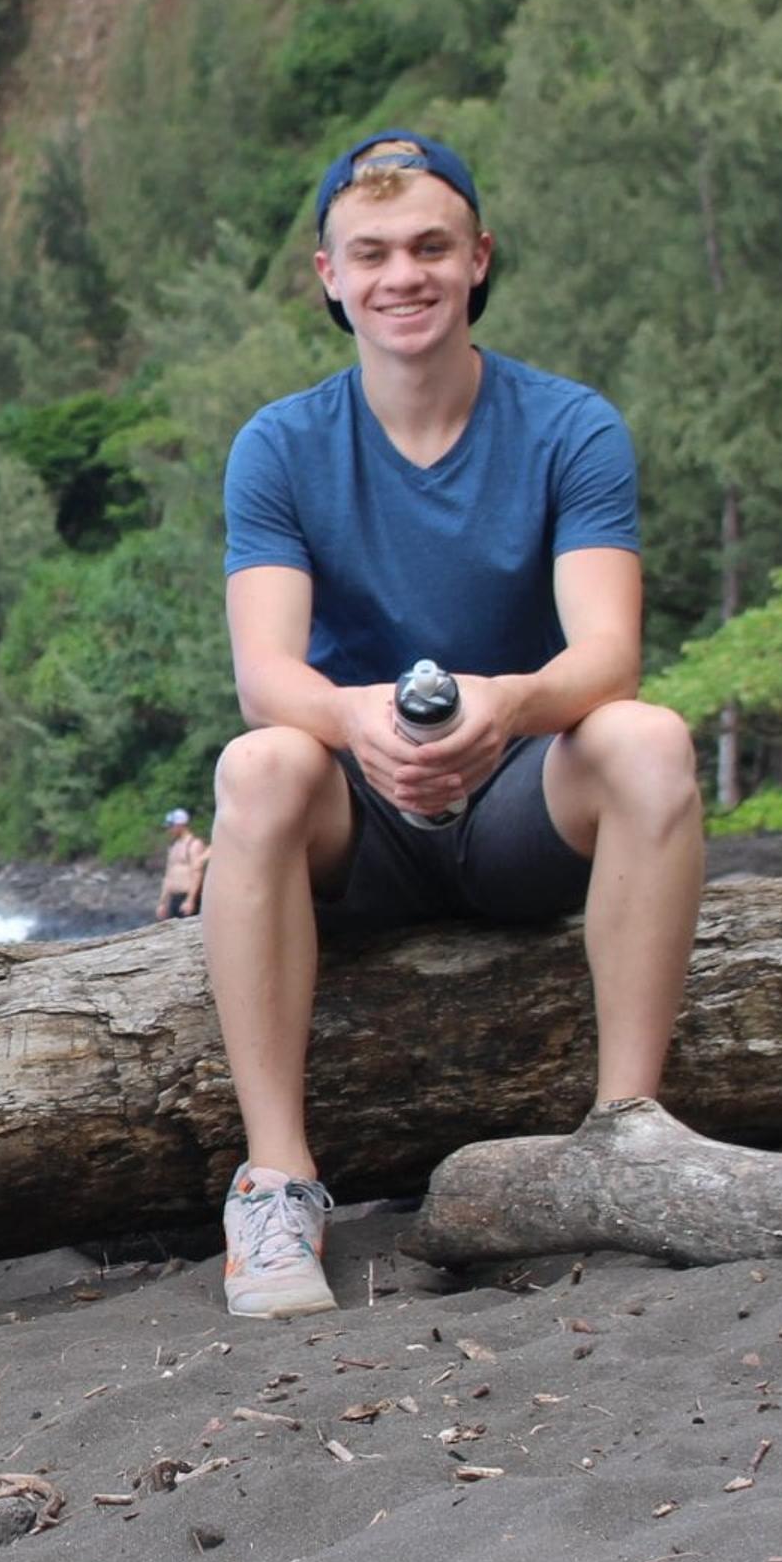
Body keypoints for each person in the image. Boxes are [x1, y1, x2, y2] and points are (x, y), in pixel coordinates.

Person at [201, 131, 701, 1318]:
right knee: (260, 763)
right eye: (370, 253)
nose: (402, 275)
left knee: (651, 737)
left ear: (478, 260)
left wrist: (509, 704)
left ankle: (629, 1135)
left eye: (430, 246)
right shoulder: (281, 444)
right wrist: (354, 717)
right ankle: (275, 1182)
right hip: (357, 815)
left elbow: (608, 655)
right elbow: (266, 674)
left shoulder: (570, 427)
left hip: (523, 798)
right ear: (327, 276)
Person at [153, 807, 208, 922]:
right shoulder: (174, 846)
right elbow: (169, 876)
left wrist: (190, 899)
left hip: (187, 896)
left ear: (180, 825)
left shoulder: (194, 844)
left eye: (171, 826)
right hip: (174, 898)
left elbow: (197, 873)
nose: (169, 830)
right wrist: (162, 902)